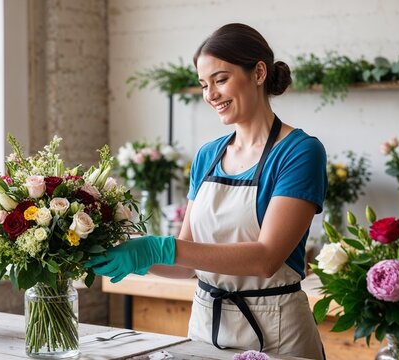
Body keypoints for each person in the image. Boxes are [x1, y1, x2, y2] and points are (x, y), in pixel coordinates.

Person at [87, 23, 327, 359]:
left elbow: (266, 258)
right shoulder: (208, 156)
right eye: (204, 84)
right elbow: (188, 263)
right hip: (206, 330)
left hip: (277, 334)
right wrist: (133, 257)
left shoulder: (299, 152)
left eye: (221, 79)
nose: (210, 94)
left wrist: (159, 248)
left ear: (258, 72)